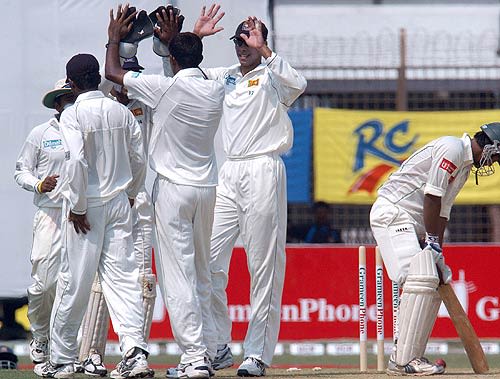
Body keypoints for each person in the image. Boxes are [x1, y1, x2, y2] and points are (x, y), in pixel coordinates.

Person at [105, 5, 224, 379]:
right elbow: (188, 64)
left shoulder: (164, 89)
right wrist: (177, 43)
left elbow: (113, 73)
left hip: (174, 191)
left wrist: (114, 39)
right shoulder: (215, 89)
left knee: (178, 277)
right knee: (201, 274)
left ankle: (193, 357)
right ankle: (205, 350)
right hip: (207, 190)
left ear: (171, 57)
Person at [190, 7, 307, 376]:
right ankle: (218, 346)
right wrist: (194, 39)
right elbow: (185, 81)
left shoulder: (272, 76)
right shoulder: (225, 76)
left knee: (264, 267)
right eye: (238, 41)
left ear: (261, 43)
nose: (242, 47)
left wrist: (267, 52)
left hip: (262, 168)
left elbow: (298, 84)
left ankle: (256, 353)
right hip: (229, 172)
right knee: (207, 261)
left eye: (249, 40)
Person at [33, 53, 152, 379]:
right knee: (125, 281)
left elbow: (76, 164)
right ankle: (135, 353)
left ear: (70, 84)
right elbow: (139, 158)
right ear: (98, 76)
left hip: (87, 208)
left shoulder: (72, 116)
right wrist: (130, 194)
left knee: (74, 282)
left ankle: (63, 359)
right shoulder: (121, 111)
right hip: (118, 202)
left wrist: (80, 207)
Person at [370, 123, 500, 375]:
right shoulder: (452, 149)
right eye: (496, 156)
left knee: (433, 280)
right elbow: (431, 196)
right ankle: (402, 360)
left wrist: (436, 249)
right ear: (489, 147)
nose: (493, 163)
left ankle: (410, 356)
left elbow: (442, 211)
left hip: (412, 222)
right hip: (394, 212)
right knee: (421, 278)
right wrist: (430, 240)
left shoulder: (463, 168)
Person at [76, 55, 156, 378]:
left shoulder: (148, 103)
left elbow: (177, 71)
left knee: (141, 281)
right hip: (109, 198)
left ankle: (134, 354)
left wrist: (135, 193)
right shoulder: (103, 104)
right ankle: (89, 354)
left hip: (137, 199)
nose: (128, 80)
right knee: (100, 281)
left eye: (133, 74)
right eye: (123, 73)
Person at [14, 79, 75, 363]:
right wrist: (39, 184)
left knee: (77, 283)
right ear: (56, 103)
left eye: (72, 96)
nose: (70, 102)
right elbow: (21, 171)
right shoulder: (41, 134)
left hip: (83, 213)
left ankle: (72, 347)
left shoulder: (86, 129)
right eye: (64, 98)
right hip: (50, 214)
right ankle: (41, 336)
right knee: (44, 284)